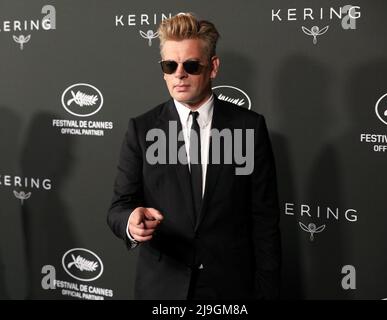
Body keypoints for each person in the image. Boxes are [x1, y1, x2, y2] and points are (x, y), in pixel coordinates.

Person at [107, 13, 281, 300]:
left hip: (229, 289)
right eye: (170, 65)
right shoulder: (141, 129)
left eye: (191, 65)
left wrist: (267, 293)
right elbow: (119, 207)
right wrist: (131, 221)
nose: (179, 74)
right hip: (161, 289)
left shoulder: (248, 127)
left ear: (212, 67)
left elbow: (264, 221)